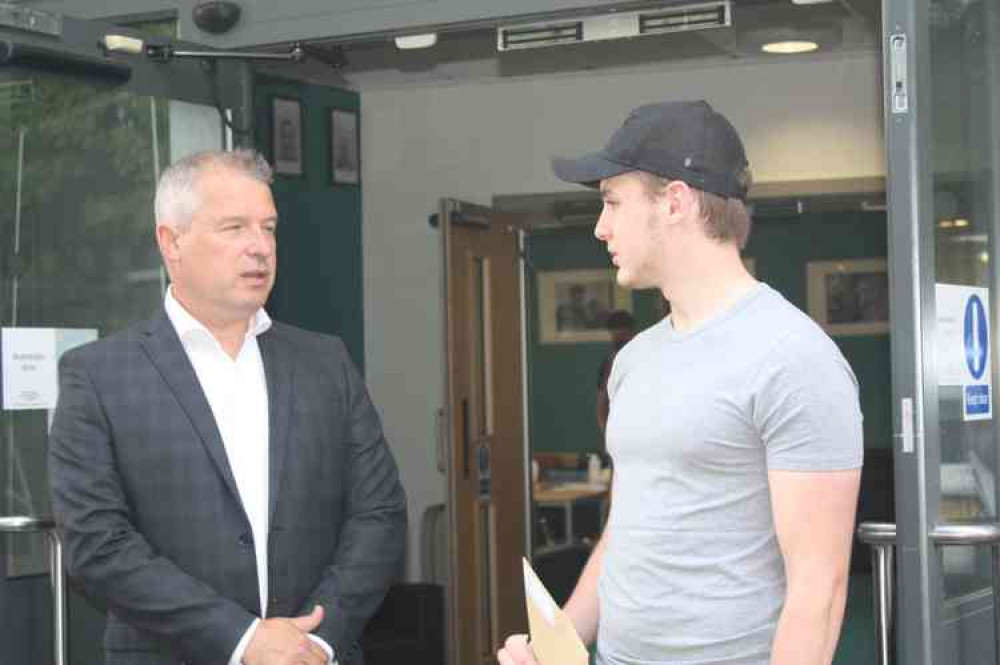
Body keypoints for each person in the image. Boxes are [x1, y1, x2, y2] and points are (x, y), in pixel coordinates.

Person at [498, 101, 862, 665]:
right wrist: (559, 642)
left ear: (675, 202)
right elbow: (628, 529)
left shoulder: (794, 358)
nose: (600, 227)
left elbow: (820, 592)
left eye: (613, 202)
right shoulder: (634, 361)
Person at [48, 149, 407, 665]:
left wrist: (318, 639)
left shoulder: (325, 362)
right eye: (234, 228)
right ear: (171, 242)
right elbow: (96, 544)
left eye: (269, 227)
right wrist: (242, 639)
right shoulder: (99, 376)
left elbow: (380, 514)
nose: (259, 247)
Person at [595, 309, 635, 441]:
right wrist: (608, 437)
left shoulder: (644, 358)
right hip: (618, 430)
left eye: (623, 334)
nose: (616, 337)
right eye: (614, 334)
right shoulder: (609, 363)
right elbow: (601, 405)